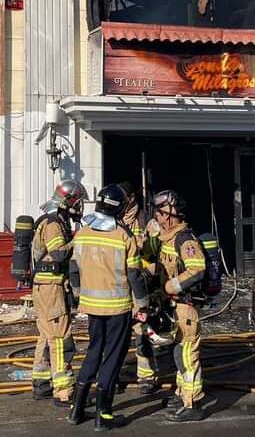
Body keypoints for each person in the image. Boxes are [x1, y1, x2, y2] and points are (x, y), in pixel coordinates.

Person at [67, 184, 151, 431]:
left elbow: (73, 270)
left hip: (91, 307)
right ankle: (103, 415)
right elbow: (135, 275)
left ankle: (77, 409)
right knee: (113, 358)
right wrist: (142, 305)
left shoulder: (82, 233)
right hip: (118, 308)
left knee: (93, 351)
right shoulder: (124, 236)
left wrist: (79, 296)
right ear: (121, 207)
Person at [30, 180, 87, 406]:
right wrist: (78, 240)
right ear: (68, 201)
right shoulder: (53, 223)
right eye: (78, 201)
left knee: (46, 334)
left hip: (45, 286)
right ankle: (63, 391)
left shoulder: (52, 219)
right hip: (51, 288)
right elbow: (59, 254)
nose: (79, 206)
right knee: (60, 337)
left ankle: (41, 382)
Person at [153, 189, 207, 422]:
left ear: (170, 213)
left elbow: (197, 269)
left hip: (184, 306)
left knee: (187, 354)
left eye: (159, 211)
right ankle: (180, 393)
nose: (156, 215)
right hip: (173, 306)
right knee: (178, 353)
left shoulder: (185, 239)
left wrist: (170, 287)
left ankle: (192, 403)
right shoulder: (167, 238)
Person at [117, 184, 160, 395]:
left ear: (133, 198)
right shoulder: (112, 221)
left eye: (126, 197)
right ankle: (112, 375)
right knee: (116, 334)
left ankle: (146, 377)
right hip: (118, 285)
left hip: (141, 284)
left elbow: (155, 251)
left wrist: (145, 243)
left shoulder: (147, 220)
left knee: (142, 332)